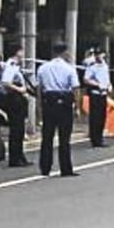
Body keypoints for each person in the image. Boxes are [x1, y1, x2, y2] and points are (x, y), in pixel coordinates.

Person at [36, 42, 80, 177]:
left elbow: (39, 89)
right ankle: (65, 168)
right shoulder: (69, 69)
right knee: (64, 138)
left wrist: (39, 107)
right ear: (65, 53)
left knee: (47, 137)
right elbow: (75, 89)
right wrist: (76, 107)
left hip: (48, 102)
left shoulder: (43, 68)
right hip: (64, 104)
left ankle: (45, 167)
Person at [1, 47, 31, 167]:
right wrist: (20, 89)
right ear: (17, 52)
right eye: (22, 51)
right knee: (16, 130)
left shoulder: (16, 66)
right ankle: (15, 158)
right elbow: (5, 82)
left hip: (18, 99)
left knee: (20, 130)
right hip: (14, 99)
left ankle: (20, 156)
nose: (24, 54)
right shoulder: (11, 65)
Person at [83, 47, 112, 148]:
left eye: (101, 54)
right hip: (95, 94)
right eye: (98, 54)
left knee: (102, 117)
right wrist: (96, 84)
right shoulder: (92, 66)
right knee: (95, 117)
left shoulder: (104, 65)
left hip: (104, 93)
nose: (100, 56)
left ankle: (100, 137)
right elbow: (86, 79)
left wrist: (109, 85)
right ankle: (95, 139)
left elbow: (106, 77)